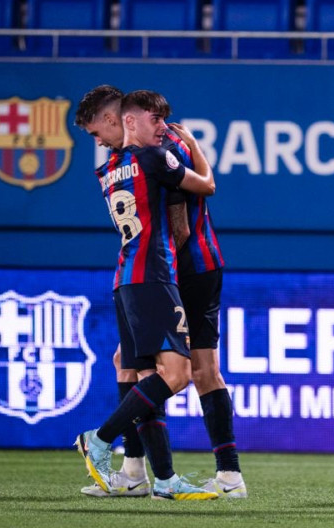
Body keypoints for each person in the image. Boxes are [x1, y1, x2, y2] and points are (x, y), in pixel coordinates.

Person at [75, 86, 246, 499]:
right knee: (131, 362)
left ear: (119, 119)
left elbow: (181, 226)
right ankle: (136, 472)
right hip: (161, 271)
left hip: (187, 268)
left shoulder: (158, 150)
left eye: (97, 130)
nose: (96, 140)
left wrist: (161, 278)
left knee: (196, 370)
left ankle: (226, 476)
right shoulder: (130, 157)